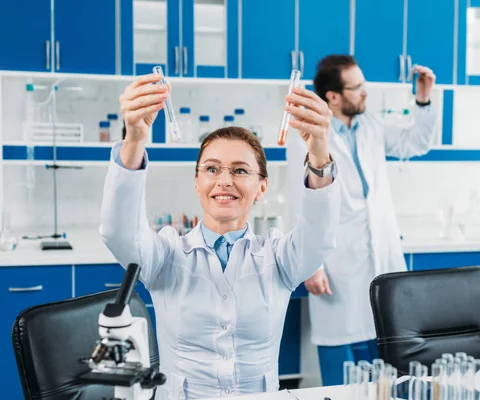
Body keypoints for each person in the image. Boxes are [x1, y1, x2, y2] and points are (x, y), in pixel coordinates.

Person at [100, 72, 340, 399]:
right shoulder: (166, 256)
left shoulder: (279, 257)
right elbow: (119, 234)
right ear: (196, 182)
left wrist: (319, 153)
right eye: (211, 169)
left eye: (240, 170)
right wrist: (134, 140)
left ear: (262, 187)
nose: (224, 180)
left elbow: (320, 237)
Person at [286, 55, 437, 386]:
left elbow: (417, 142)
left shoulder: (370, 125)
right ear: (333, 96)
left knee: (384, 359)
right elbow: (299, 203)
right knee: (341, 362)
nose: (365, 93)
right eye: (357, 88)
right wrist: (311, 265)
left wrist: (423, 100)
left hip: (380, 255)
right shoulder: (308, 137)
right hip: (338, 260)